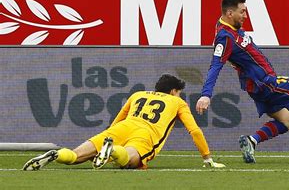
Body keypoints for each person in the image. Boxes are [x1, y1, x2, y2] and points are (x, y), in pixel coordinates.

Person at [196, 0, 289, 164]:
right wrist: (206, 94)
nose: (245, 16)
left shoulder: (230, 27)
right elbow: (215, 66)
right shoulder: (225, 38)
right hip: (265, 83)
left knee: (287, 121)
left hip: (259, 86)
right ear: (230, 13)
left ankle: (251, 141)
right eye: (242, 12)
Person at [23, 74, 225, 171]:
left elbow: (116, 121)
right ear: (173, 91)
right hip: (145, 134)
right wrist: (207, 157)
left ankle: (57, 154)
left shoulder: (137, 94)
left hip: (120, 129)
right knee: (129, 162)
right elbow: (195, 131)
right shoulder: (177, 102)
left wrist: (107, 138)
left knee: (76, 156)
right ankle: (112, 151)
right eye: (179, 92)